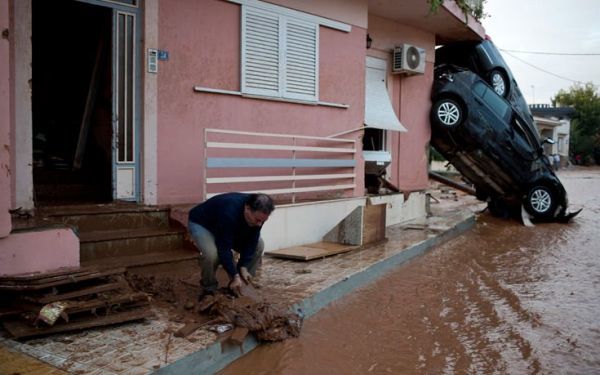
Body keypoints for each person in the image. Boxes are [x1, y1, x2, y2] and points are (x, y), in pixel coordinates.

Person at [188, 192, 275, 299]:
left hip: (226, 226)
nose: (259, 224)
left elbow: (252, 240)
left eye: (263, 221)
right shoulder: (229, 212)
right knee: (212, 254)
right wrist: (234, 275)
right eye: (257, 220)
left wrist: (243, 266)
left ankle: (240, 284)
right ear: (247, 208)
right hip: (203, 224)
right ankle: (209, 288)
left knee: (259, 245)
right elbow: (224, 248)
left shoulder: (259, 215)